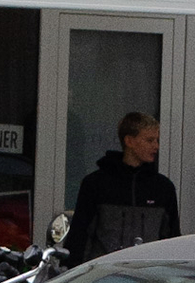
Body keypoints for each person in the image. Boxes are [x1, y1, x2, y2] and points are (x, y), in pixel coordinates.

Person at [67, 110, 182, 261]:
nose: (156, 146)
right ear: (129, 141)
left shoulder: (163, 188)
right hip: (104, 274)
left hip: (148, 274)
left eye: (157, 140)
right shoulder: (96, 184)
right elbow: (80, 235)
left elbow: (171, 238)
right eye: (149, 140)